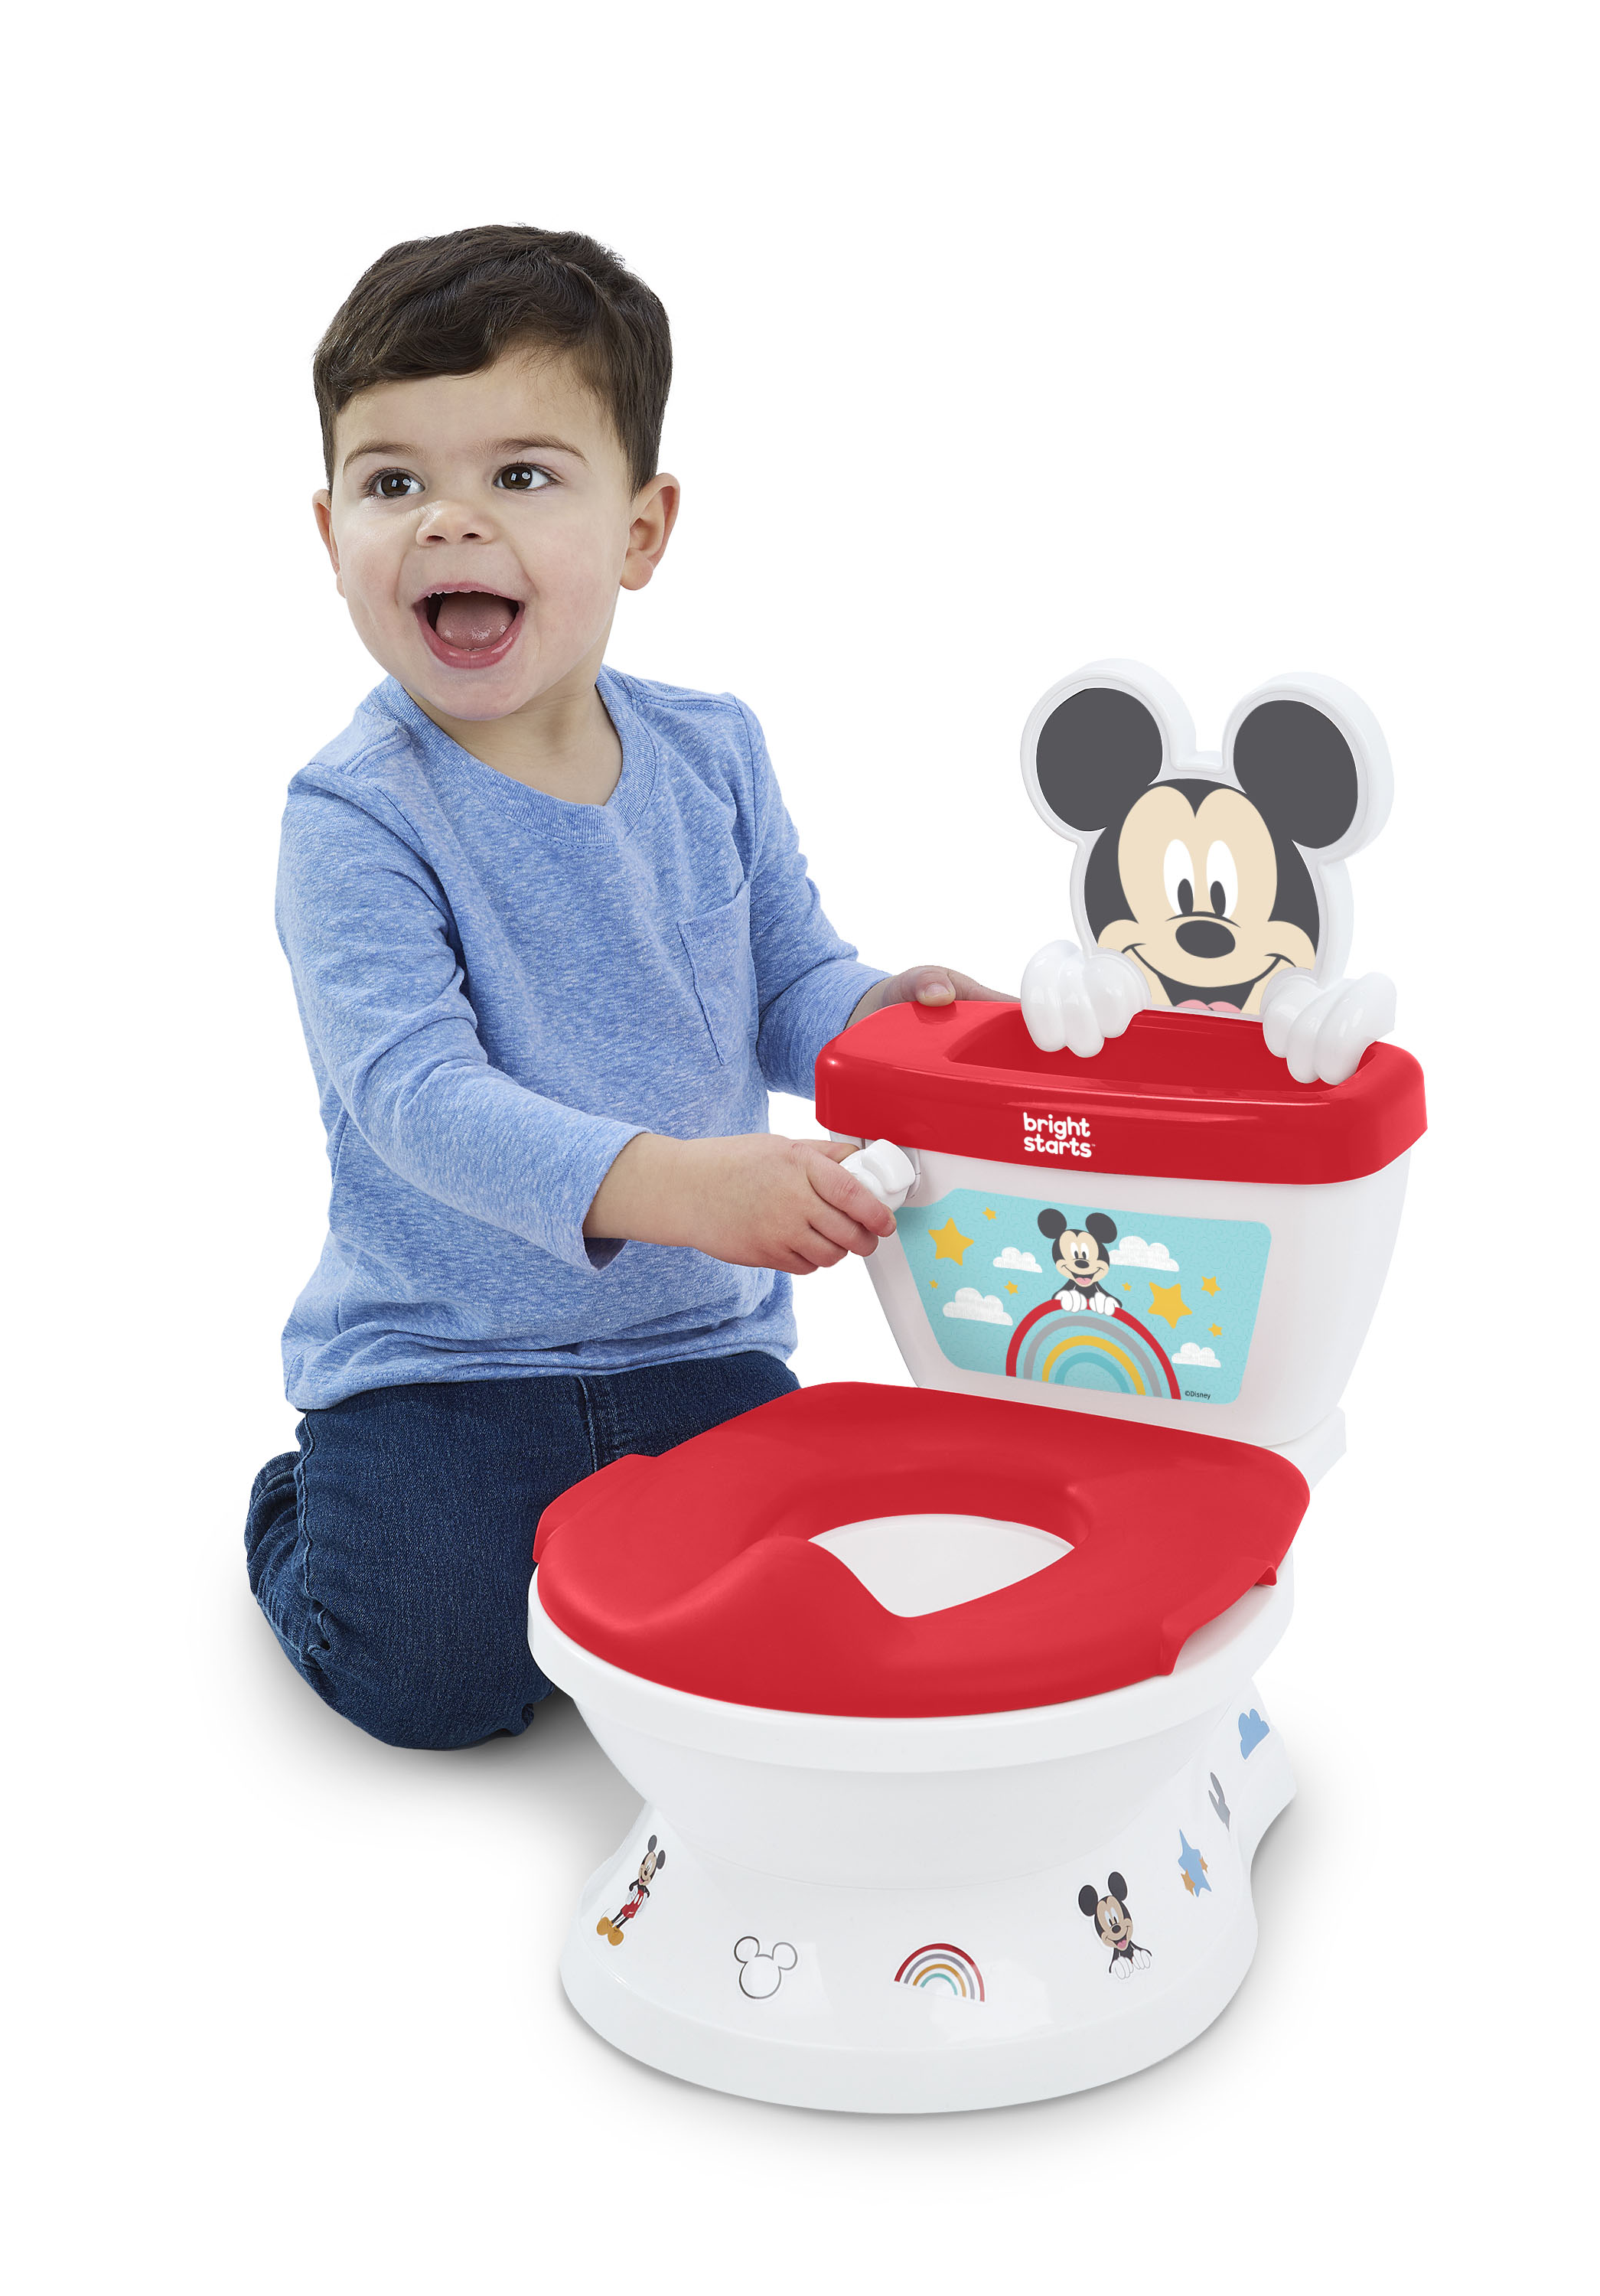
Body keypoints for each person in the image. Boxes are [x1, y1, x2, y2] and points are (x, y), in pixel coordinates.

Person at [246, 225, 1005, 1749]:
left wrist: (882, 1020)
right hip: (444, 1363)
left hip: (697, 1345)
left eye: (522, 475)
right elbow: (417, 1099)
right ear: (330, 534)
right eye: (393, 484)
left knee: (790, 1624)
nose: (450, 521)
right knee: (435, 1683)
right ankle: (301, 1505)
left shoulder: (712, 753)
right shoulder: (355, 814)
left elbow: (787, 981)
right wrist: (675, 1186)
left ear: (643, 531)